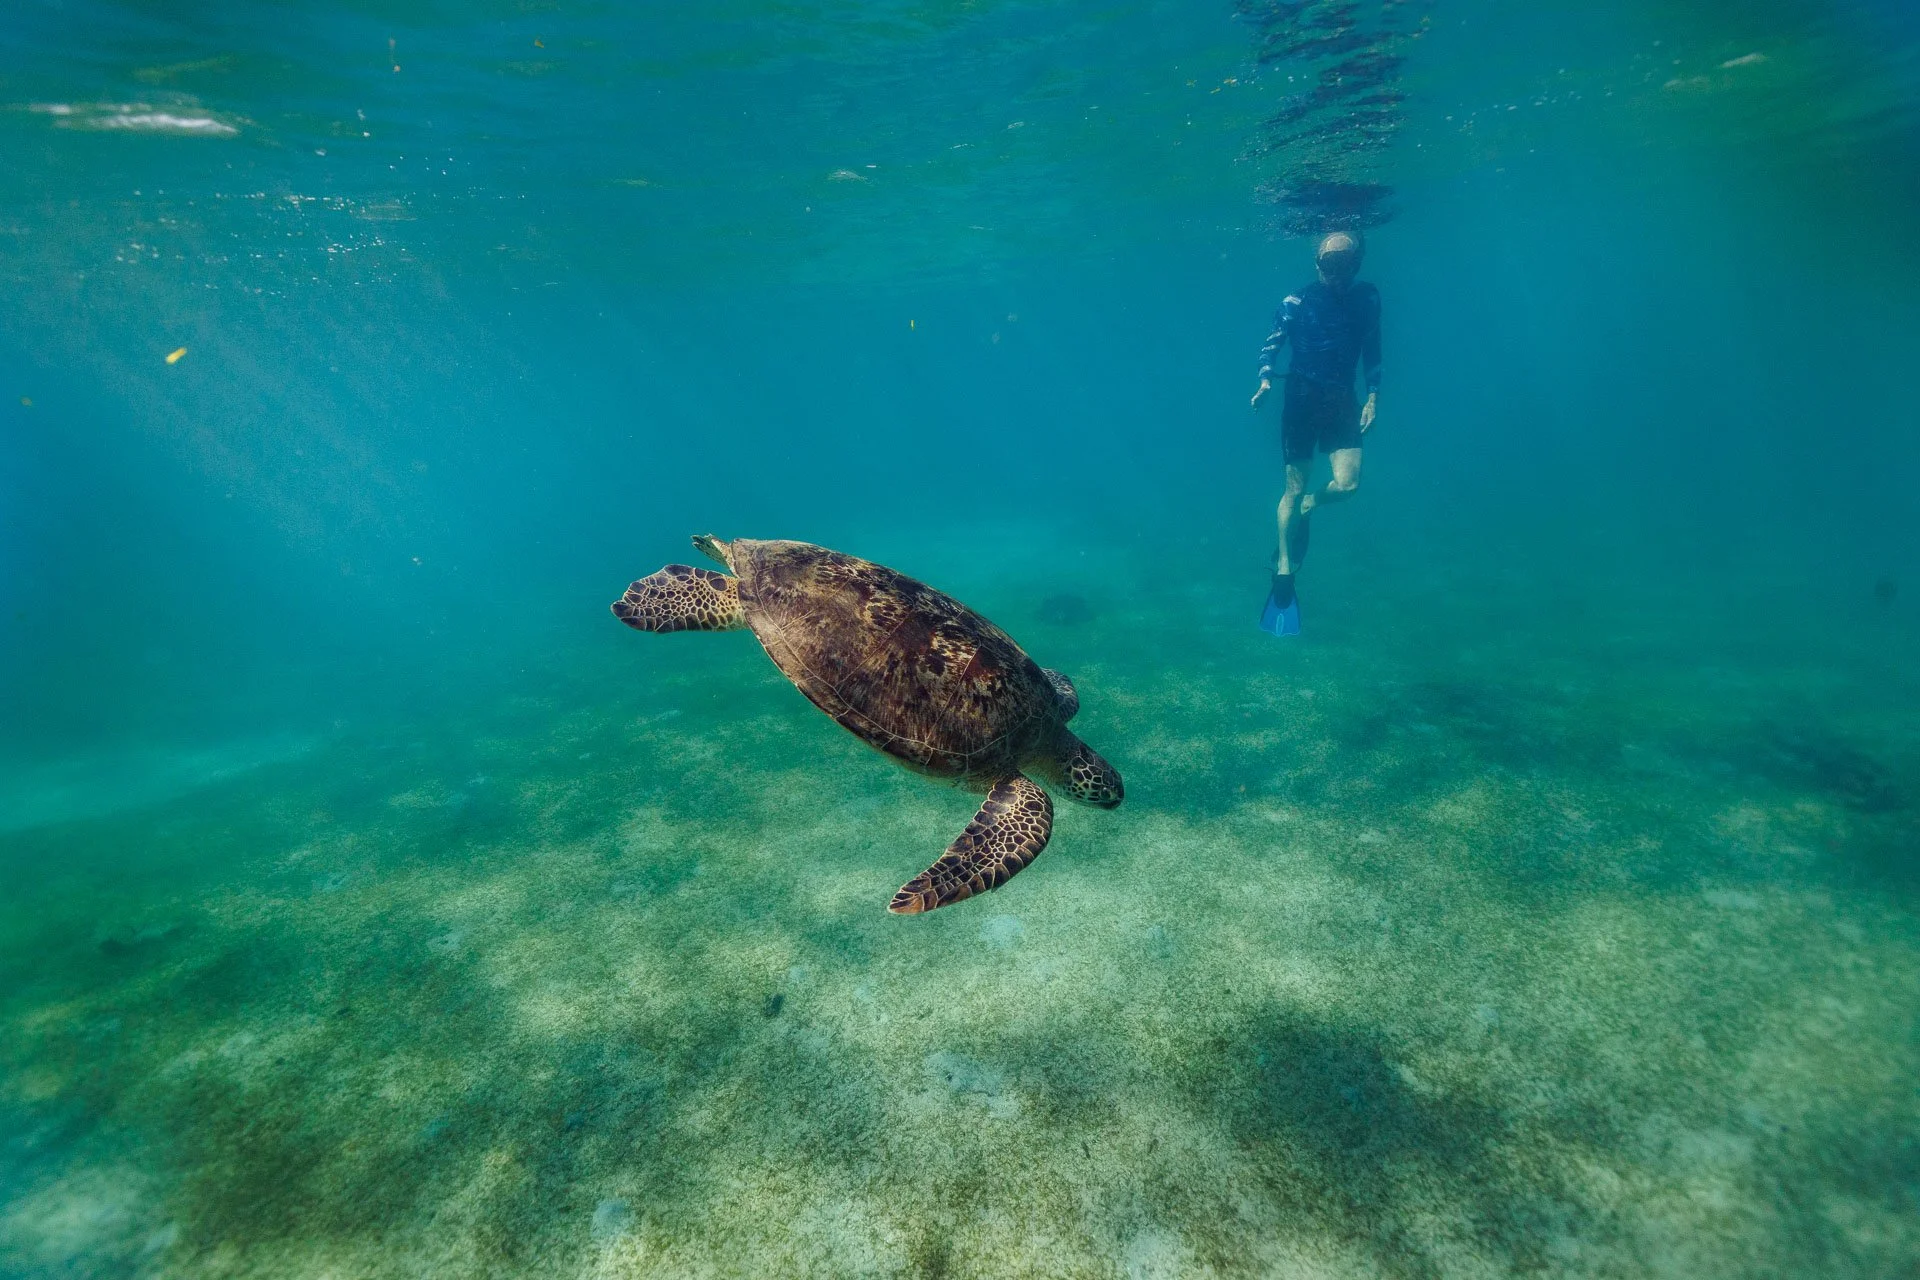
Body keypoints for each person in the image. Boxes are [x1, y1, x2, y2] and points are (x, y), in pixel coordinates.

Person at [1249, 230, 1381, 636]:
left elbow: (1374, 348)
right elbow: (1271, 343)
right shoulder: (1296, 301)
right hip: (1301, 401)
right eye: (1328, 264)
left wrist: (1373, 396)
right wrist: (1265, 379)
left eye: (1344, 264)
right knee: (1291, 488)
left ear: (1357, 263)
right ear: (1316, 263)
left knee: (1349, 485)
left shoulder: (1368, 298)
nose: (1335, 273)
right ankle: (1285, 569)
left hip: (1342, 399)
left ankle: (1311, 504)